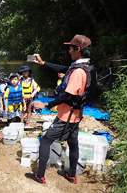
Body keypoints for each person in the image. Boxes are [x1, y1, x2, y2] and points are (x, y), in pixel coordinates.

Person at [33, 34, 96, 184]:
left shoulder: (78, 72)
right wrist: (44, 63)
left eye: (71, 48)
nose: (69, 51)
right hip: (77, 114)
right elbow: (64, 69)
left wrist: (46, 105)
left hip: (66, 115)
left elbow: (67, 96)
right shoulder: (86, 67)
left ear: (78, 49)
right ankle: (71, 175)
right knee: (73, 143)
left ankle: (40, 176)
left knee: (46, 140)